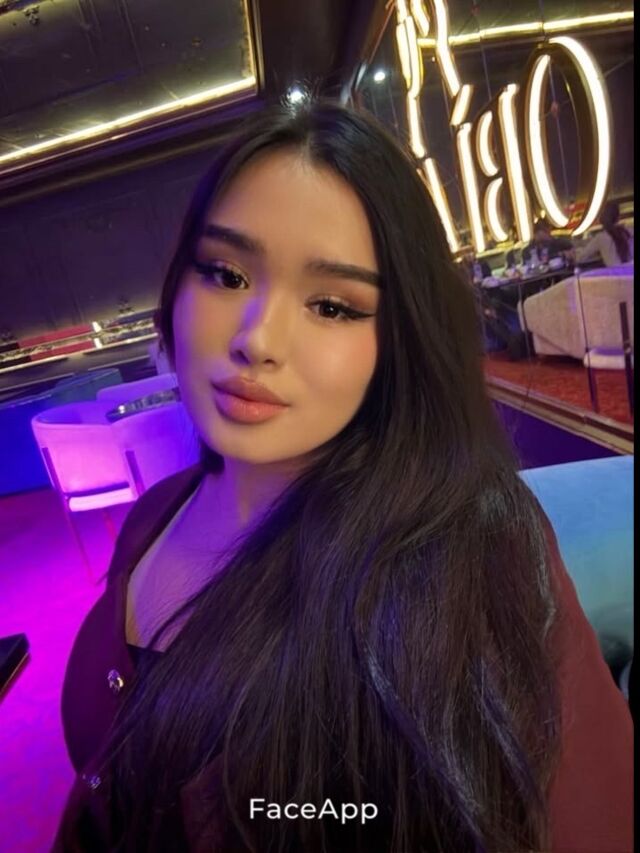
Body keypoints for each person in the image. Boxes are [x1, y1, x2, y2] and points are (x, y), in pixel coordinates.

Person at [53, 102, 632, 853]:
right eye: (226, 273)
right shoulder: (154, 513)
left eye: (331, 306)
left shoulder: (466, 556)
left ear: (397, 340)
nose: (258, 339)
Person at [574, 200, 634, 267]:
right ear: (618, 217)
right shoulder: (629, 231)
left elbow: (580, 258)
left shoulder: (600, 238)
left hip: (615, 273)